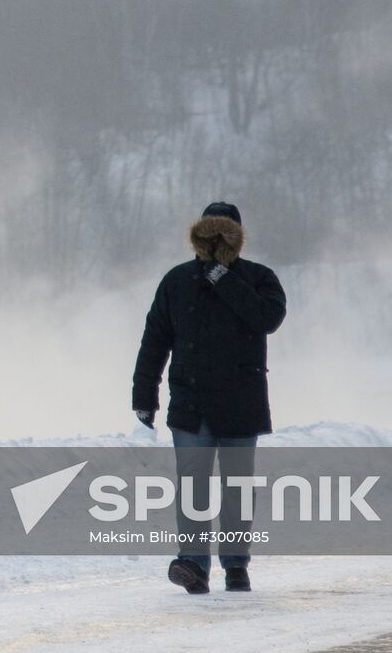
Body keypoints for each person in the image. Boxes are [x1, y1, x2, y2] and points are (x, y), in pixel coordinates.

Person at [132, 201, 287, 595]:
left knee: (236, 487)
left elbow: (267, 319)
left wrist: (224, 277)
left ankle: (236, 566)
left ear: (237, 237)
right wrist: (144, 394)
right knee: (193, 488)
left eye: (225, 235)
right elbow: (155, 340)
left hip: (240, 403)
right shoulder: (177, 281)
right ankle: (194, 566)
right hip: (191, 403)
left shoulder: (258, 278)